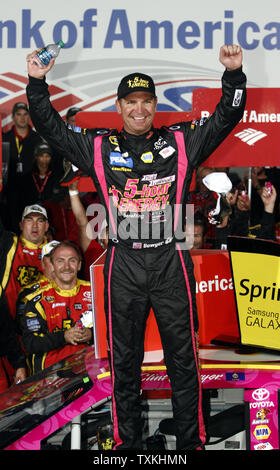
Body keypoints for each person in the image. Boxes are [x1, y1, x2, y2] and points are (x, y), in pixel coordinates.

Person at [26, 44, 246, 450]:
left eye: (146, 102)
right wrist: (37, 81)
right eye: (131, 102)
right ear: (120, 105)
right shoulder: (98, 146)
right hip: (122, 263)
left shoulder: (181, 141)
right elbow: (51, 127)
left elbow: (227, 116)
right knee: (123, 364)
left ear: (154, 105)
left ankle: (191, 444)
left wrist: (233, 74)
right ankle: (127, 447)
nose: (139, 110)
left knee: (183, 362)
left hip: (170, 259)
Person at [21, 241, 93, 375]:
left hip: (90, 370)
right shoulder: (37, 301)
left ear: (79, 265)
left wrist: (92, 334)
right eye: (60, 261)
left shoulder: (95, 291)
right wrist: (63, 336)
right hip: (50, 377)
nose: (67, 267)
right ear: (52, 266)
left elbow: (114, 329)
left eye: (72, 261)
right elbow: (30, 342)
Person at [2, 102, 42, 231]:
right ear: (13, 117)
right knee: (11, 225)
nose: (22, 118)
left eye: (25, 114)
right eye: (18, 114)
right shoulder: (4, 139)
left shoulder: (37, 139)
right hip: (9, 192)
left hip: (33, 191)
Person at [68, 179, 105, 280]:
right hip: (91, 295)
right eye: (107, 231)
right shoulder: (94, 250)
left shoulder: (127, 252)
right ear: (101, 238)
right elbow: (82, 223)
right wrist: (73, 192)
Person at [18, 142, 61, 211]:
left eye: (47, 156)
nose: (44, 159)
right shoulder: (27, 178)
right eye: (41, 156)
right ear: (36, 157)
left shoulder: (57, 176)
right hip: (31, 211)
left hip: (51, 211)